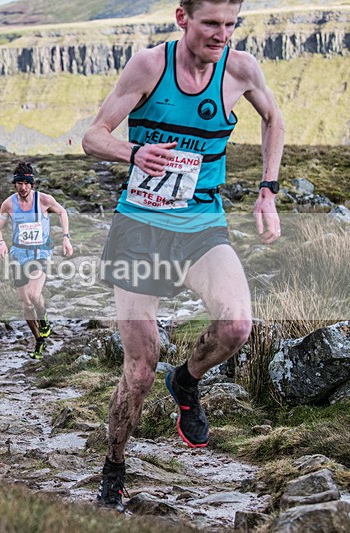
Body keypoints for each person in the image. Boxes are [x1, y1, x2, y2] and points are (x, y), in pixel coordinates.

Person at [81, 0, 283, 512]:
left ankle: (186, 380)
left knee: (237, 324)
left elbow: (273, 119)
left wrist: (268, 190)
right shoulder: (150, 66)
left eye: (231, 24)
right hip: (140, 227)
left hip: (201, 223)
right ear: (182, 18)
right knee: (141, 365)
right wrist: (133, 153)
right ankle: (115, 467)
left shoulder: (240, 69)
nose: (221, 35)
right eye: (211, 23)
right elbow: (91, 137)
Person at [0, 161, 73, 359]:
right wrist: (1, 242)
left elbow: (62, 212)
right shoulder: (9, 204)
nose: (23, 187)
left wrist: (66, 237)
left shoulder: (44, 200)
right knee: (26, 303)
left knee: (34, 295)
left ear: (32, 184)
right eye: (19, 183)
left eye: (27, 183)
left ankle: (44, 319)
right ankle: (39, 339)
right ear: (15, 184)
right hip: (18, 255)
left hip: (40, 253)